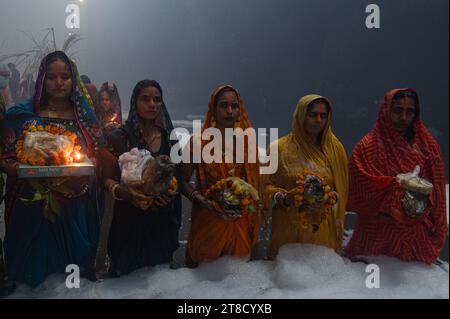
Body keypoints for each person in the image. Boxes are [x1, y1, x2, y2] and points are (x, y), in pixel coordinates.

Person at [0, 51, 104, 287]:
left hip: (74, 206)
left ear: (73, 81)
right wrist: (19, 169)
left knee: (71, 278)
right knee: (33, 278)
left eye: (65, 77)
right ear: (41, 80)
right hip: (31, 207)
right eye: (51, 77)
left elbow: (98, 158)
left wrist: (83, 168)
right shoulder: (23, 116)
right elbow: (5, 157)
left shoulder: (85, 121)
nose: (59, 83)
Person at [345, 88, 447, 264]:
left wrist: (437, 230)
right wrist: (395, 188)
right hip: (376, 235)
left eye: (410, 111)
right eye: (398, 110)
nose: (404, 117)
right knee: (370, 287)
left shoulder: (428, 146)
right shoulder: (367, 147)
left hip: (417, 238)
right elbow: (357, 190)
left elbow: (437, 191)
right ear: (386, 110)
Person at [102, 80, 181, 276]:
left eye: (157, 99)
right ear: (134, 102)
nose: (152, 104)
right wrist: (126, 193)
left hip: (161, 220)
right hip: (130, 220)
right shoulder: (119, 138)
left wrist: (171, 194)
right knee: (126, 279)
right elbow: (106, 178)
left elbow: (177, 177)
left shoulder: (169, 138)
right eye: (145, 99)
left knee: (160, 278)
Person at [181, 85, 260, 267]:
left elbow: (254, 185)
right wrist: (203, 201)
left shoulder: (248, 141)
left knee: (238, 281)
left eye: (234, 105)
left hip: (240, 221)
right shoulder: (198, 142)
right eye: (224, 105)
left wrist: (247, 208)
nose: (230, 111)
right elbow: (183, 182)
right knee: (204, 282)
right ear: (213, 110)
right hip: (208, 220)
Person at [261, 94, 348, 260]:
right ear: (301, 115)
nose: (318, 120)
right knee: (284, 282)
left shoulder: (335, 150)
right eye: (312, 114)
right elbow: (264, 186)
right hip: (287, 228)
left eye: (323, 116)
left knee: (322, 280)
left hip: (321, 228)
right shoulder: (278, 148)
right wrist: (284, 198)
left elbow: (341, 189)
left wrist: (329, 197)